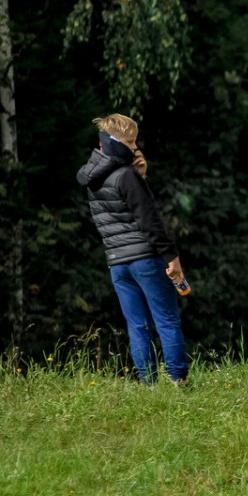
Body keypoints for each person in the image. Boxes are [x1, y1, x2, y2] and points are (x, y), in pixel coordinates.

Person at [76, 114, 190, 386]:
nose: (134, 148)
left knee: (137, 326)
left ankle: (149, 385)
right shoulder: (125, 175)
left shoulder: (94, 178)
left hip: (117, 263)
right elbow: (148, 220)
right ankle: (179, 382)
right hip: (146, 260)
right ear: (114, 141)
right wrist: (172, 259)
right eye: (130, 142)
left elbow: (117, 216)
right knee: (166, 320)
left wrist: (141, 177)